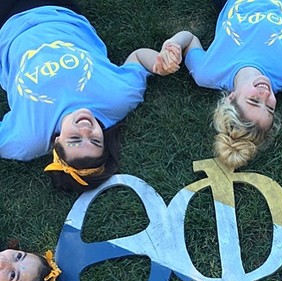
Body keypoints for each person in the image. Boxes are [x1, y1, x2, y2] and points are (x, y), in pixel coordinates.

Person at [0, 0, 180, 192]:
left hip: (6, 25)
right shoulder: (117, 100)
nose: (85, 130)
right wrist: (158, 64)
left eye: (75, 139)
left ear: (57, 142)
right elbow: (137, 58)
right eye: (95, 140)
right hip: (58, 9)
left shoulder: (29, 139)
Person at [159, 0, 282, 169]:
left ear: (230, 97)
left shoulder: (207, 73)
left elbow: (189, 39)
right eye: (270, 107)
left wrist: (173, 43)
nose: (265, 95)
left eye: (253, 100)